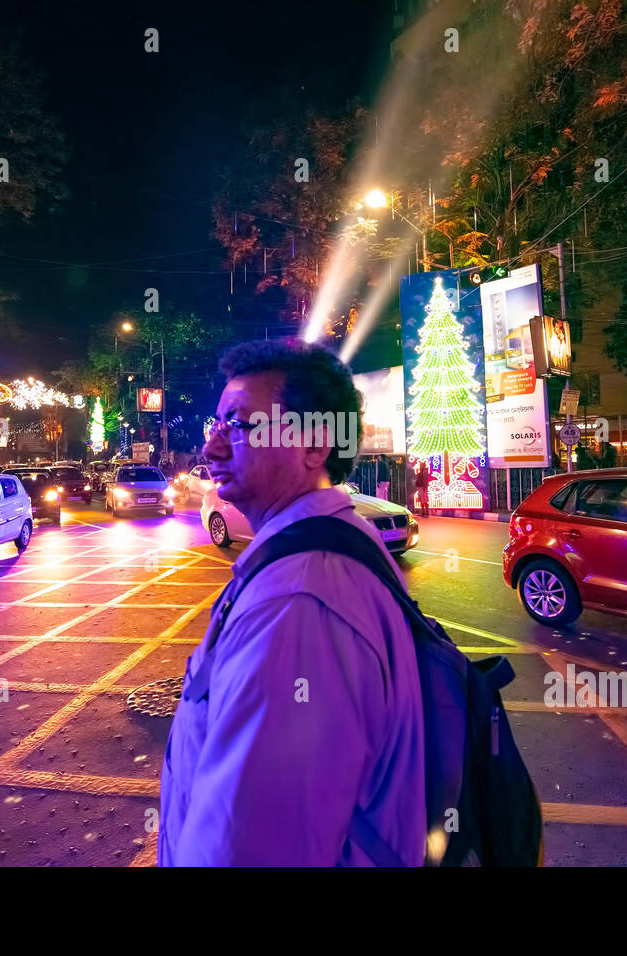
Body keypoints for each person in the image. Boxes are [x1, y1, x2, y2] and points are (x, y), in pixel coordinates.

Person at [160, 340, 423, 866]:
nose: (211, 449)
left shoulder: (297, 606)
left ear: (314, 444)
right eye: (216, 426)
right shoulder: (323, 548)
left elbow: (248, 847)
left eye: (239, 426)